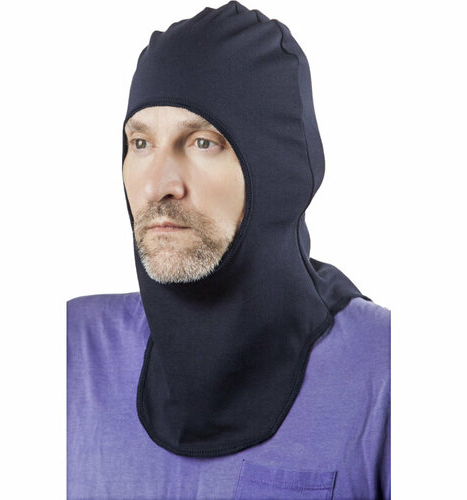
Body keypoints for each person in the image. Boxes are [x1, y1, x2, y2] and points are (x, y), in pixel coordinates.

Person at [67, 1, 390, 499]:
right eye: (140, 143)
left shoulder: (386, 371)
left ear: (276, 166)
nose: (157, 185)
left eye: (202, 142)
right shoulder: (72, 352)